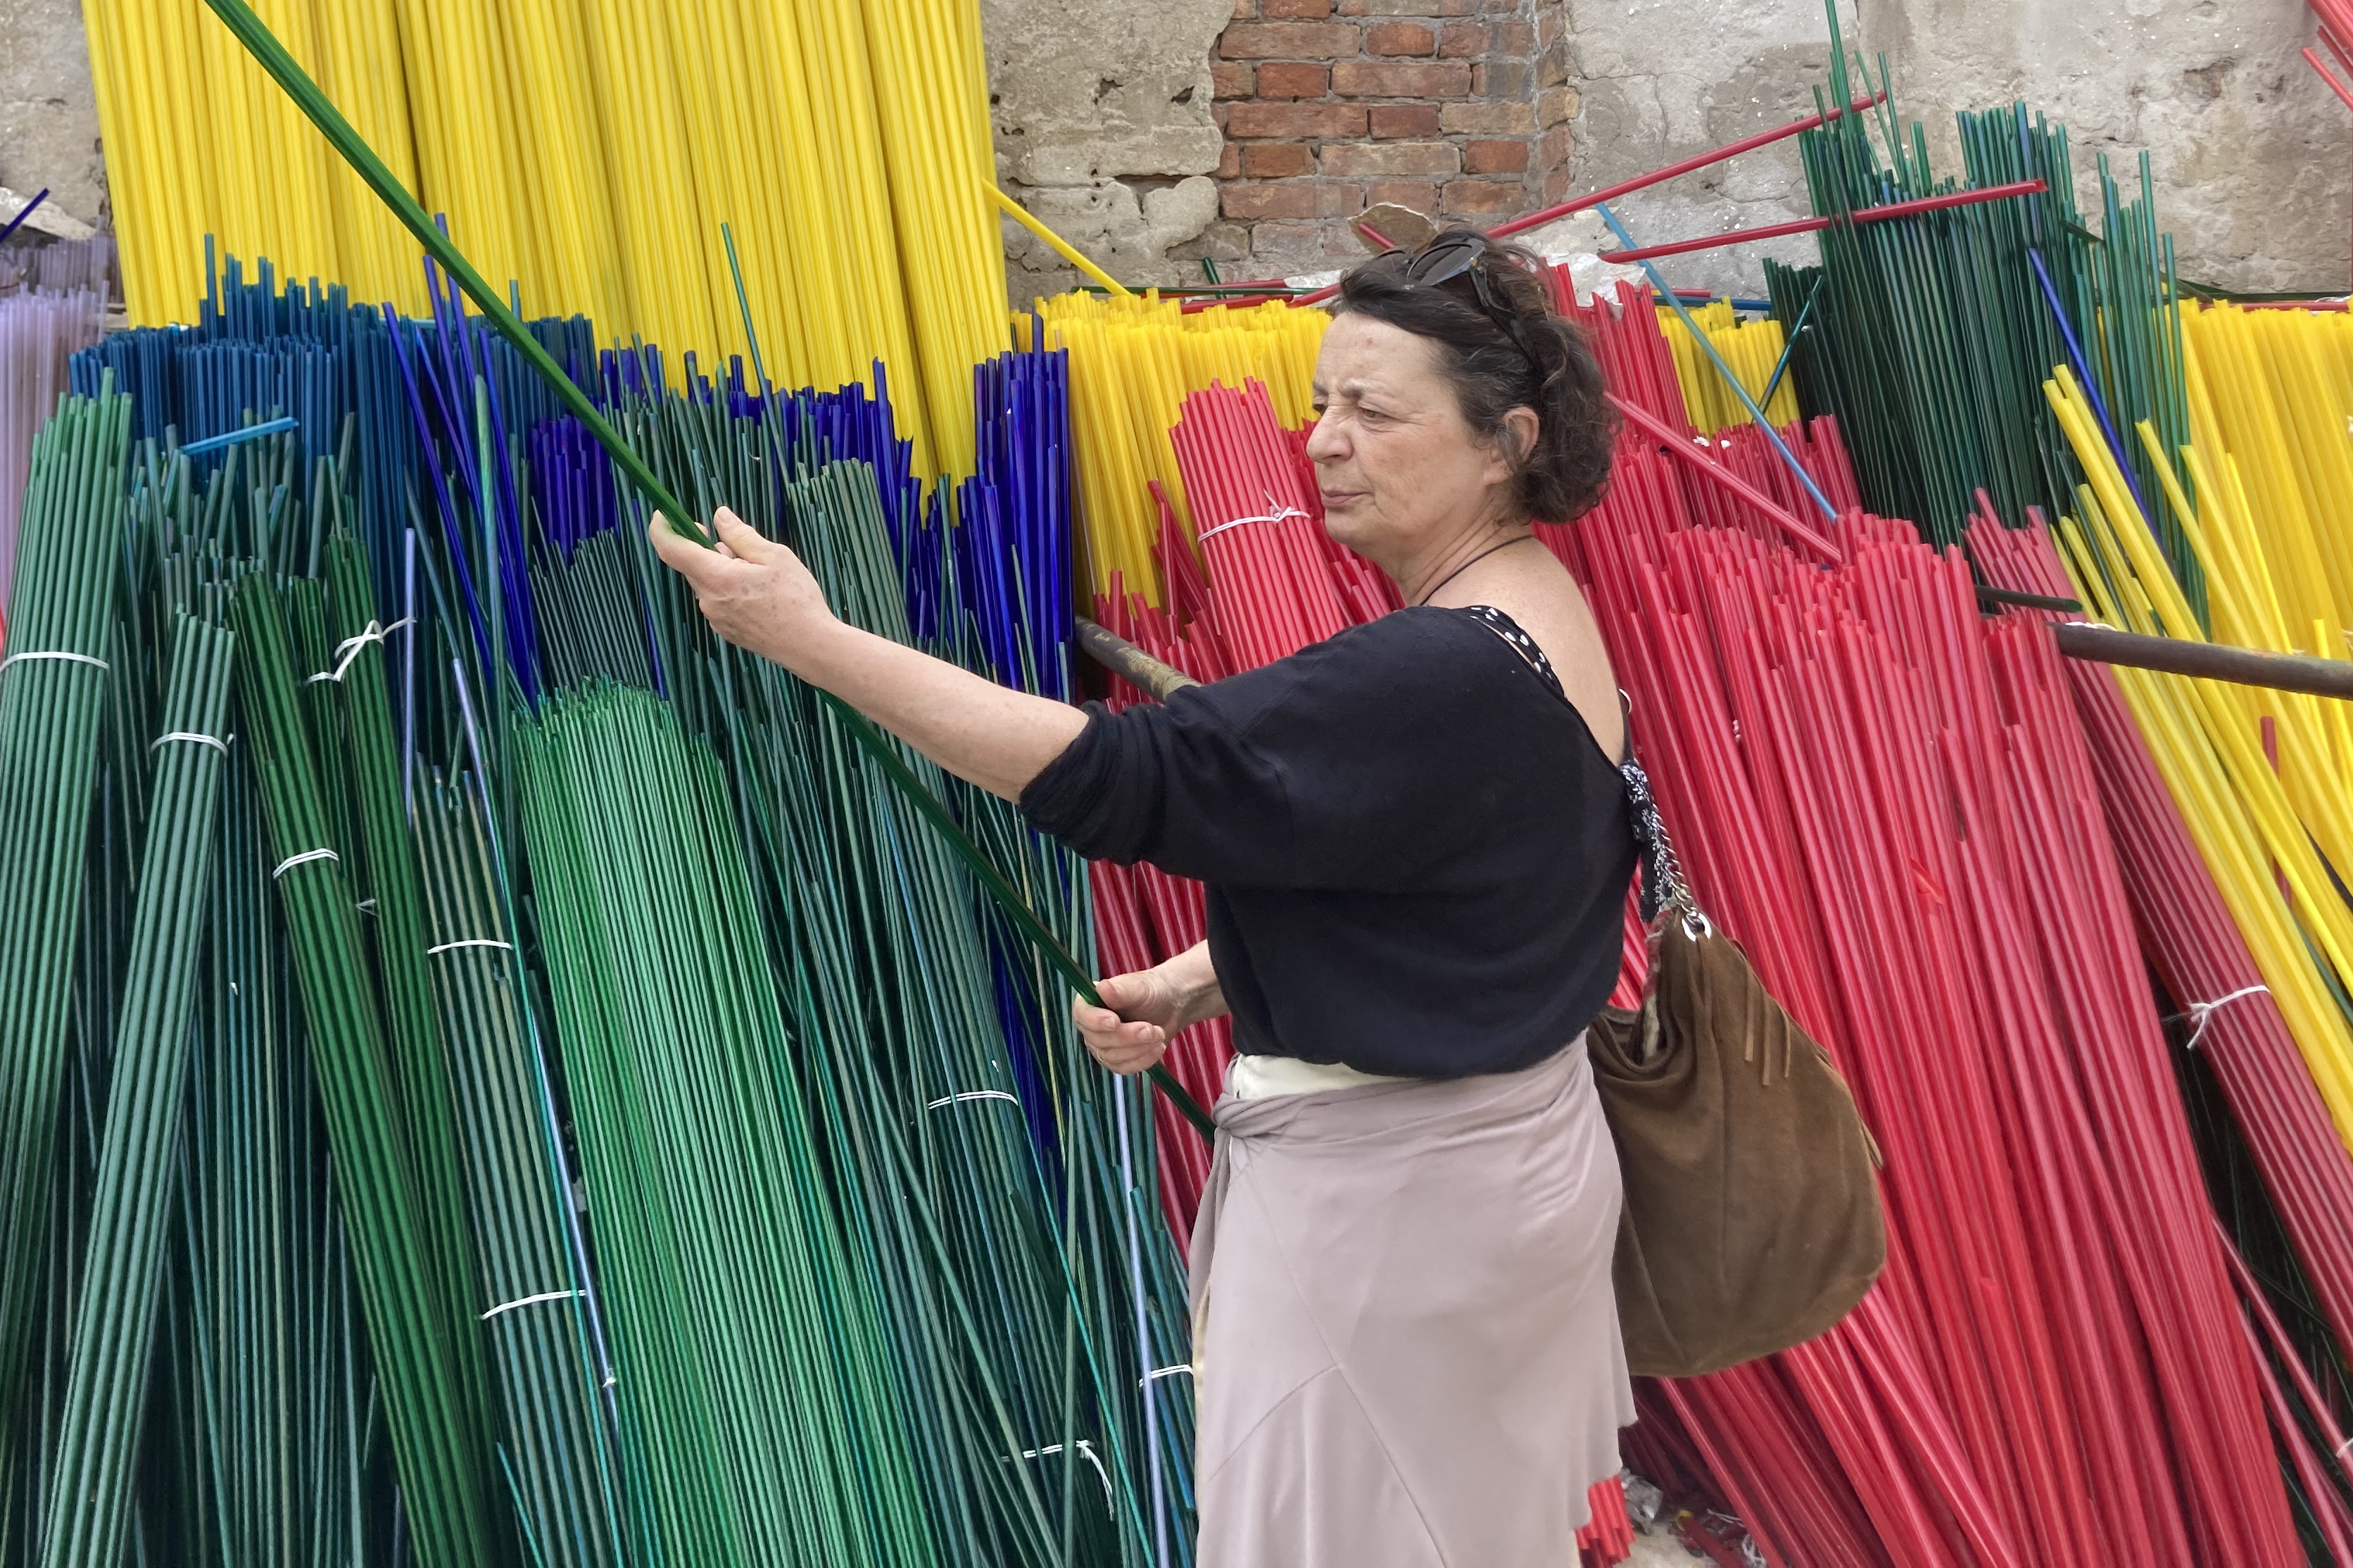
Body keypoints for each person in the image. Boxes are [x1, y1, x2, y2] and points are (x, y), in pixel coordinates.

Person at [648, 227, 1639, 1567]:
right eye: (1320, 404)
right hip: (1502, 1177)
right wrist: (1196, 981)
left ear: (1505, 440)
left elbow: (1125, 778)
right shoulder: (1540, 617)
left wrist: (813, 644)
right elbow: (1464, 882)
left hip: (1400, 1229)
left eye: (1374, 410)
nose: (1327, 441)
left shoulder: (1439, 672)